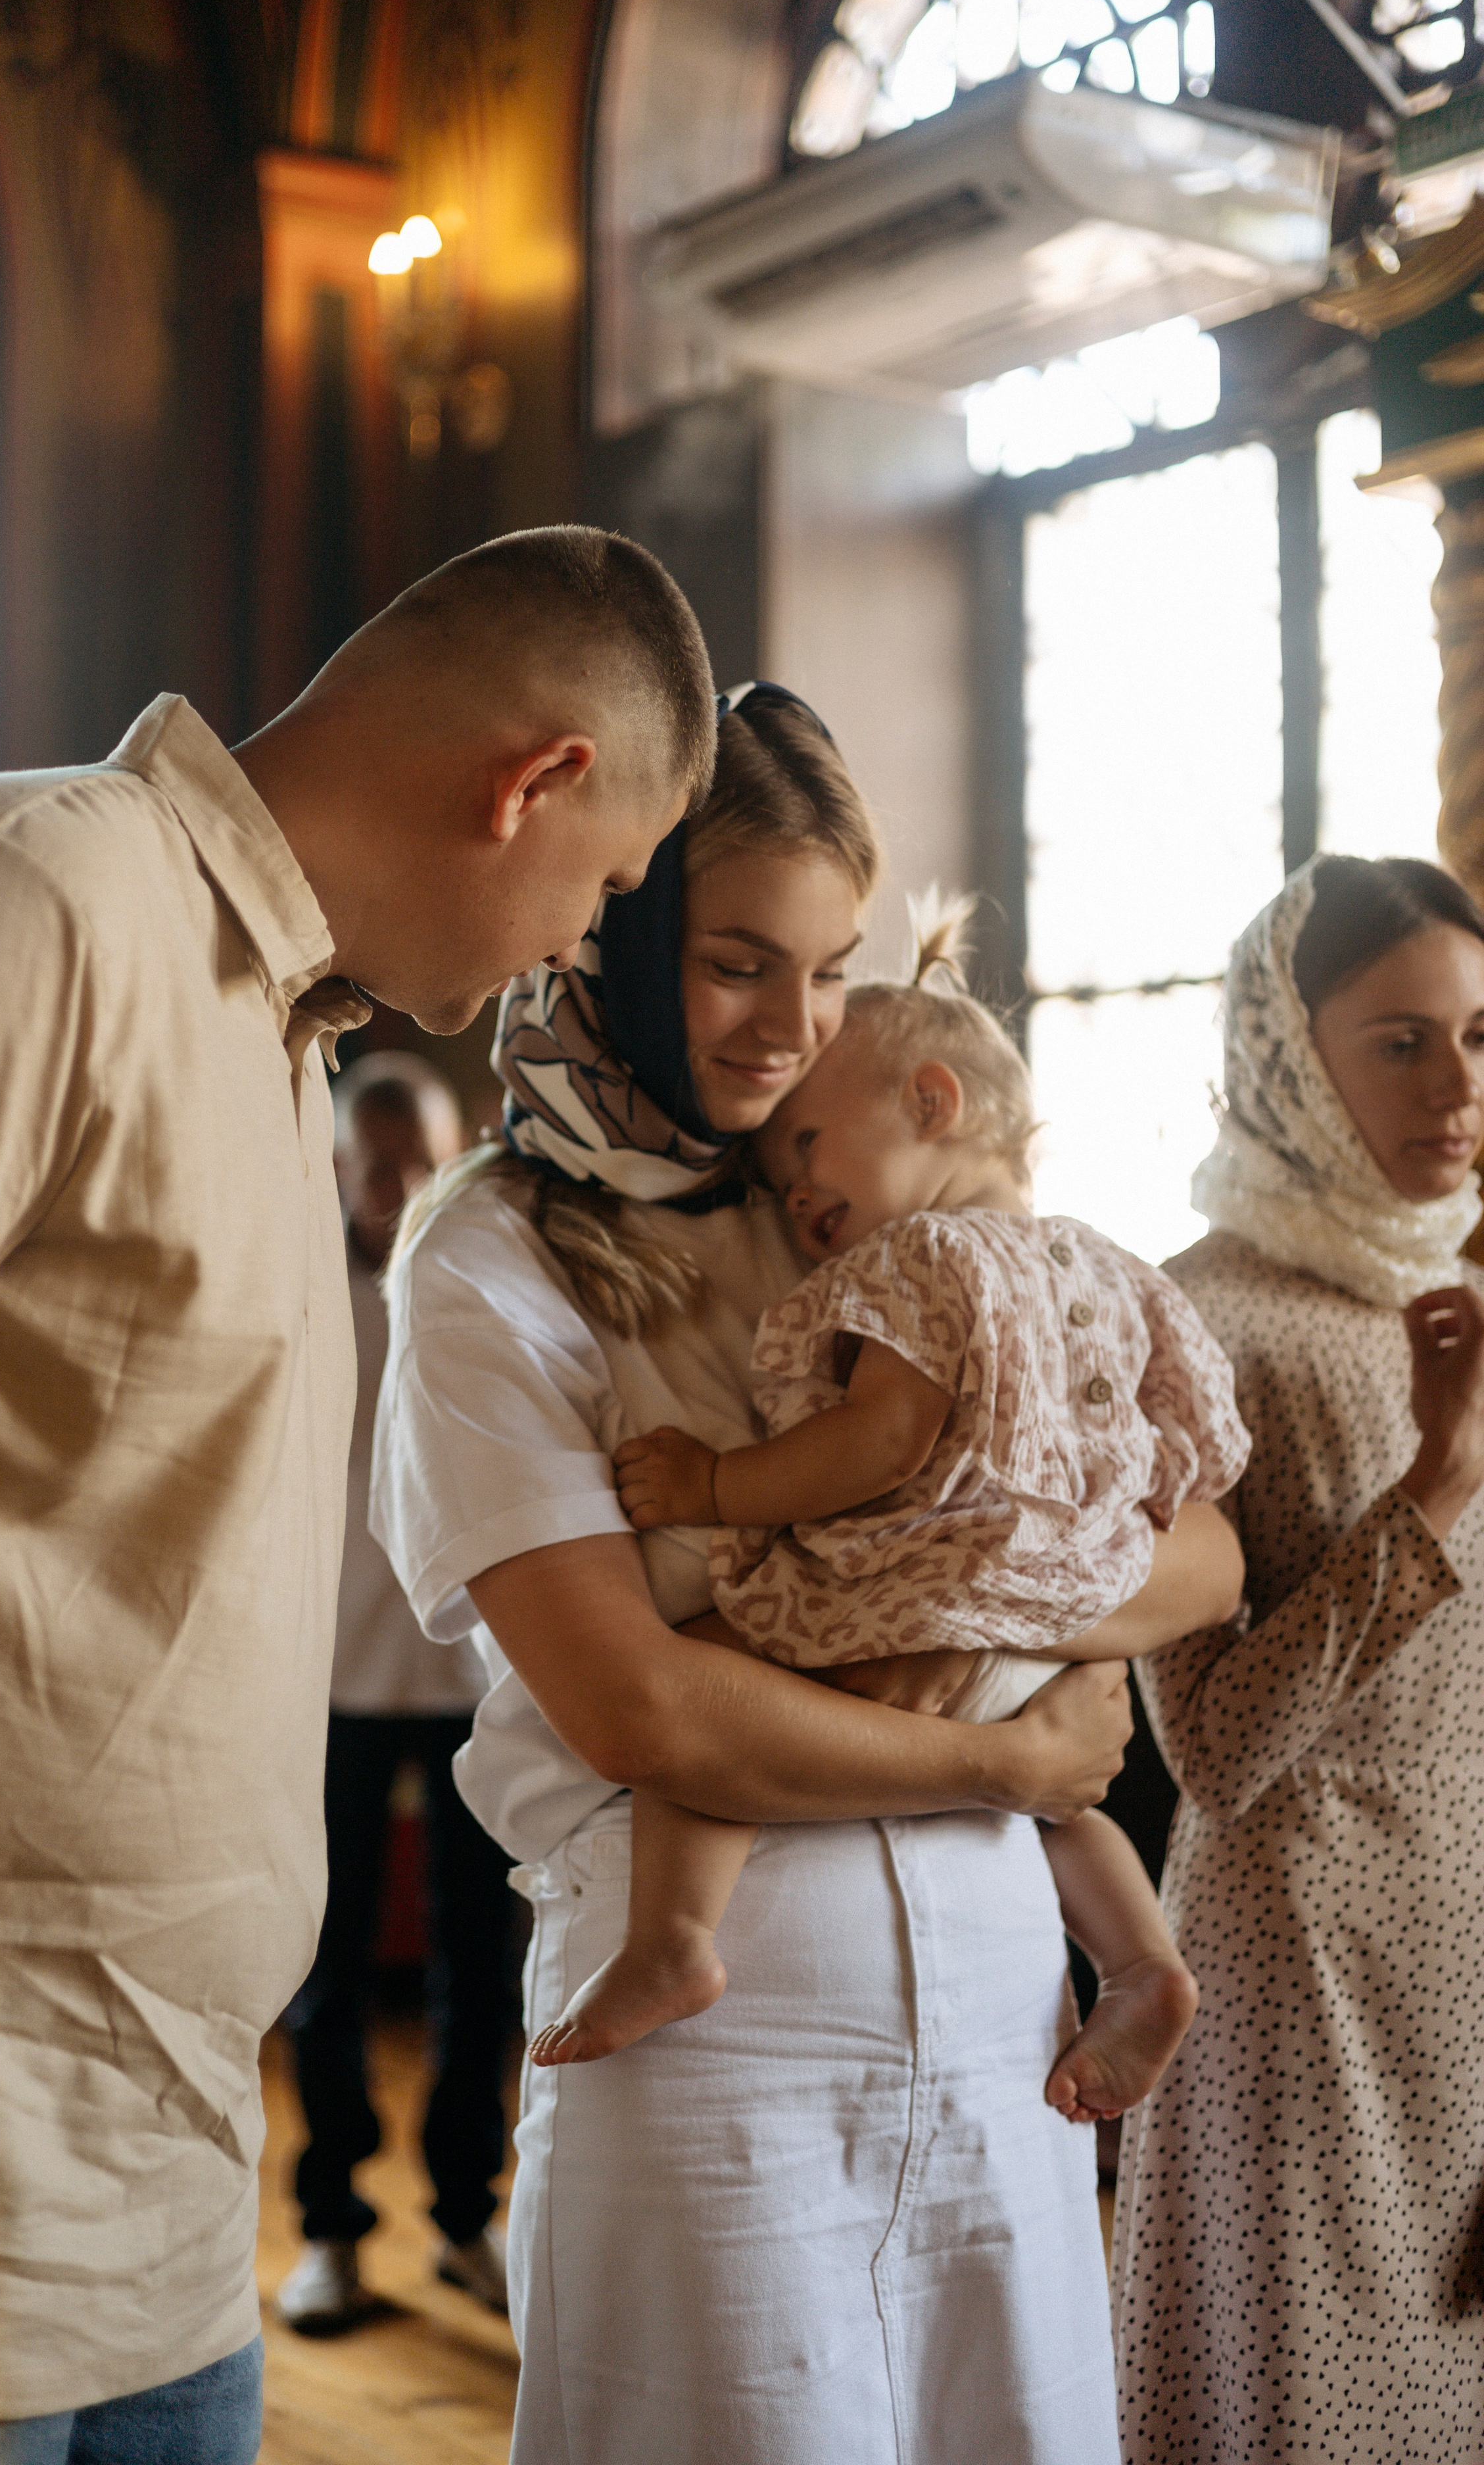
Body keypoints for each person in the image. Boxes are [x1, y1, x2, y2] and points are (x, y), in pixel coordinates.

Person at [0, 526, 712, 2460]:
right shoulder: (28, 897)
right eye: (606, 882)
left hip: (173, 2199)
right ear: (533, 779)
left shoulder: (286, 1035)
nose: (577, 946)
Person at [371, 683, 1243, 2465]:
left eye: (833, 968)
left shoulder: (873, 1187)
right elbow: (642, 1701)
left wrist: (987, 1595)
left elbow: (1209, 1555)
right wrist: (1013, 1746)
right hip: (718, 2037)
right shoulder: (492, 1253)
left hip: (1013, 2015)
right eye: (738, 963)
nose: (794, 1030)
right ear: (612, 931)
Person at [532, 922, 1249, 2130]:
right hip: (1061, 1609)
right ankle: (1139, 1963)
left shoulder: (917, 1258)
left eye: (807, 1141)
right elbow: (1196, 1440)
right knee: (1054, 1798)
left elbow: (880, 1441)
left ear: (931, 1099)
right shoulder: (1107, 1264)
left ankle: (671, 1938)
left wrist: (715, 1485)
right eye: (777, 1174)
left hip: (918, 1587)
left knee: (707, 1680)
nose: (796, 1185)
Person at [1112, 854, 1484, 2465]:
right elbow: (1208, 1751)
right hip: (1297, 1987)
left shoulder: (1456, 1292)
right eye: (1398, 1041)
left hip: (1459, 1984)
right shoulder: (1196, 1322)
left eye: (1479, 1035)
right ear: (1284, 1049)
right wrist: (1430, 1493)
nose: (1456, 1085)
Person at [277, 1052, 517, 2334]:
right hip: (330, 1685)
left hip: (477, 1680)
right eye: (378, 1168)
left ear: (456, 1152)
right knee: (323, 1968)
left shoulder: (488, 1292)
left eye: (422, 1163)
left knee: (479, 1972)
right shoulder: (305, 1295)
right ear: (341, 1172)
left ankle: (469, 2216)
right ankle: (330, 2228)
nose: (402, 1187)